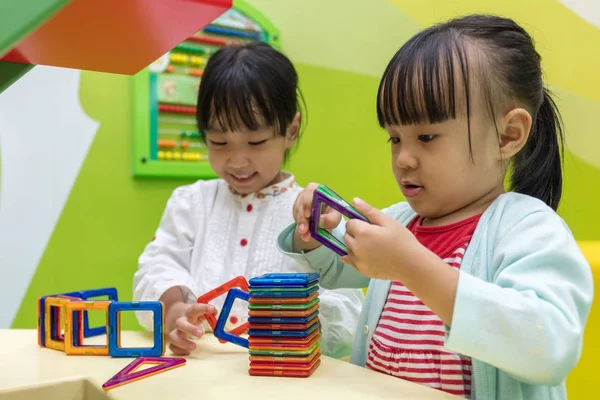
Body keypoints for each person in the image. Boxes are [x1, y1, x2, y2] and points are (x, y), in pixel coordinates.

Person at [277, 14, 593, 399]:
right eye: (395, 138)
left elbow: (549, 346)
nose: (404, 159)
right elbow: (336, 268)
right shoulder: (402, 222)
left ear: (508, 136)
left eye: (426, 136)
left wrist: (411, 265)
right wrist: (316, 230)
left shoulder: (528, 229)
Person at [133, 42, 364, 358]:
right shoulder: (191, 203)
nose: (237, 161)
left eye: (256, 142)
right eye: (219, 142)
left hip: (285, 381)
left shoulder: (314, 214)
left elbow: (346, 309)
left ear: (291, 130)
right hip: (201, 376)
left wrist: (300, 326)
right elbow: (157, 266)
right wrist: (174, 310)